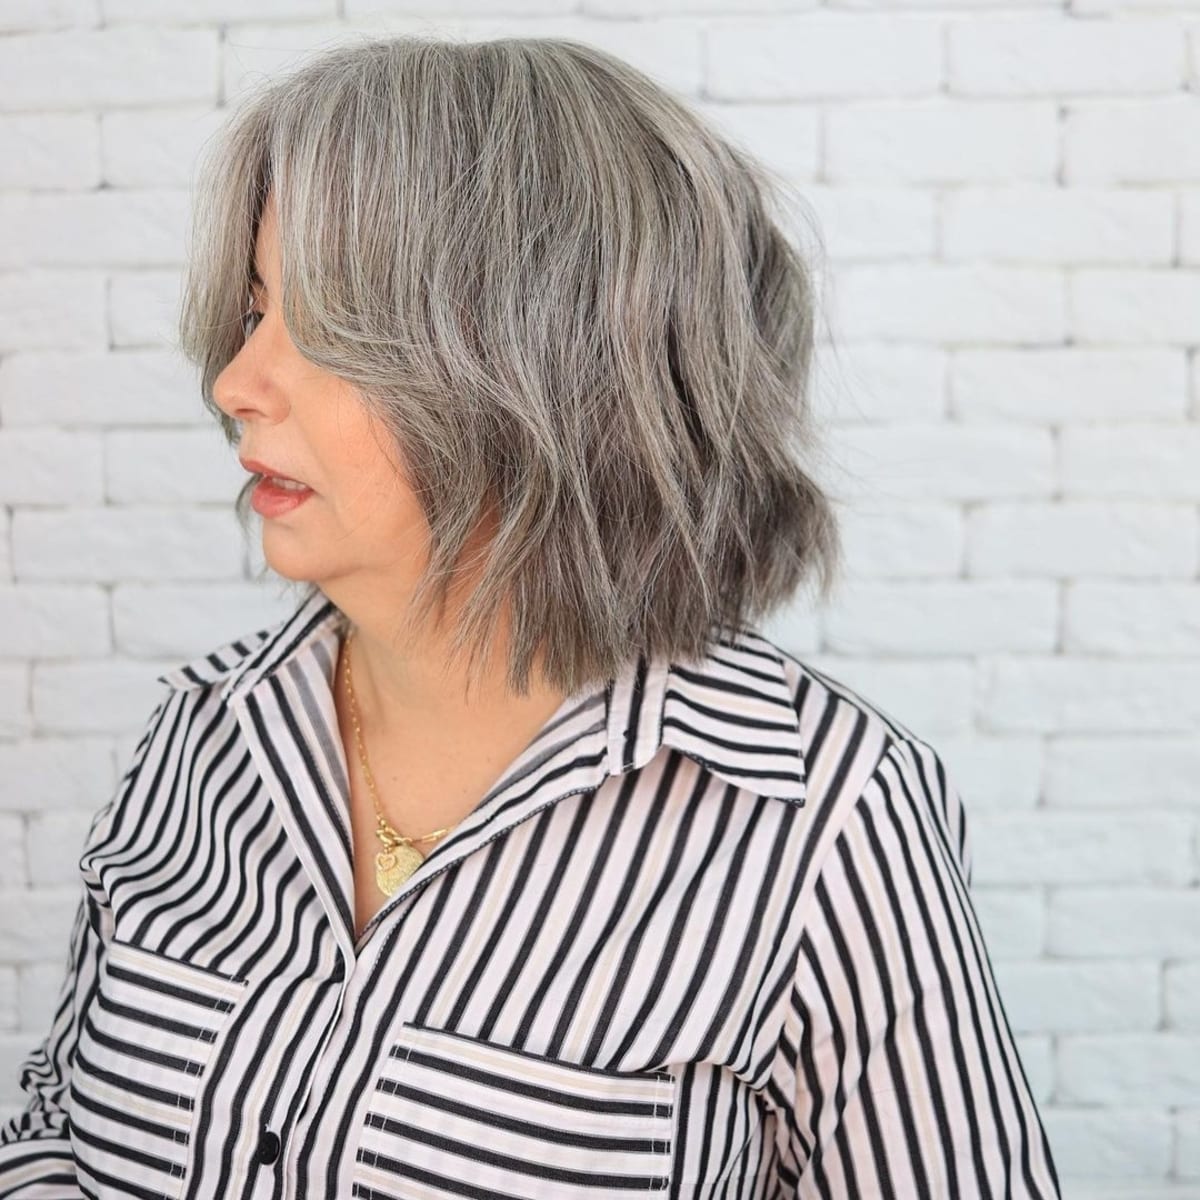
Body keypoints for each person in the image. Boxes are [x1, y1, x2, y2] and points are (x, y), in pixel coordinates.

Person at [0, 33, 1061, 1200]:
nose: (235, 383)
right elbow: (53, 1121)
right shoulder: (200, 737)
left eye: (324, 329)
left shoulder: (824, 817)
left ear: (539, 369)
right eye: (254, 313)